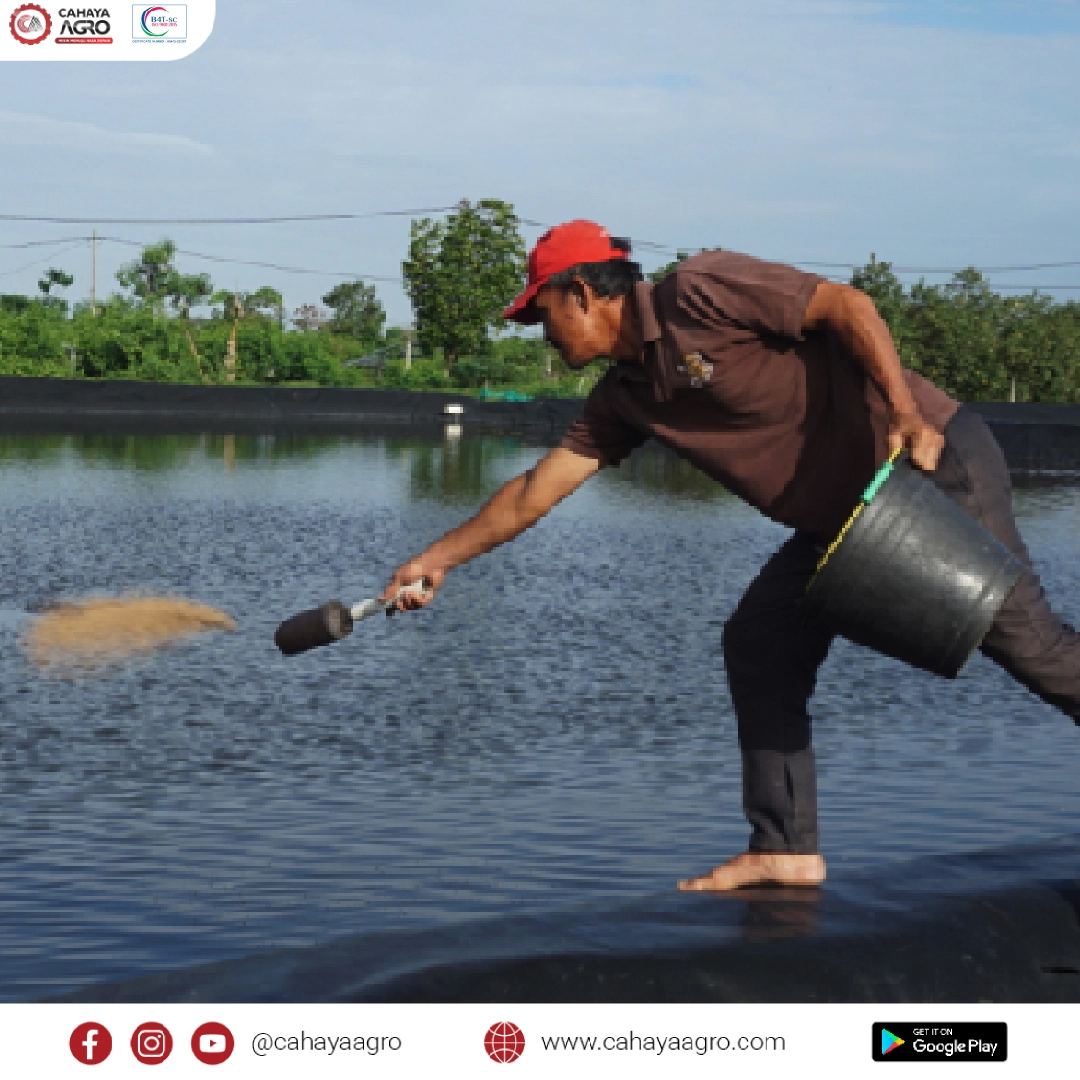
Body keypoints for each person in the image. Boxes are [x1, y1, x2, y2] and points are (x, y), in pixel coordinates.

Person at [381, 219, 1080, 891]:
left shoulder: (698, 288)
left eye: (542, 314)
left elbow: (847, 305)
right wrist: (439, 557)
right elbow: (535, 490)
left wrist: (904, 411)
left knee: (1027, 644)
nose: (541, 333)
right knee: (762, 640)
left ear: (583, 293)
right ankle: (784, 850)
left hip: (929, 461)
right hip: (848, 520)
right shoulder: (623, 399)